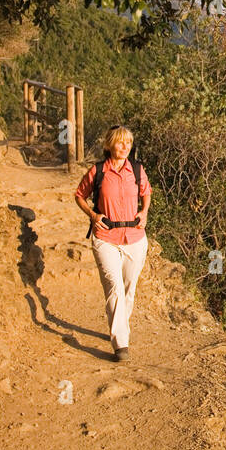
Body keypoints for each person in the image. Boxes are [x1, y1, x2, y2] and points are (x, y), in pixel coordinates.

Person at [73, 126, 152, 362]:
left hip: (135, 238)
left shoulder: (137, 170)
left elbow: (146, 191)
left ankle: (120, 327)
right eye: (120, 143)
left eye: (128, 142)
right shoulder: (98, 171)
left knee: (129, 289)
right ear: (110, 145)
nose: (125, 147)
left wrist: (145, 211)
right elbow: (79, 195)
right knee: (114, 288)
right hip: (105, 238)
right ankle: (121, 344)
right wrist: (93, 215)